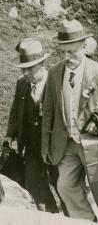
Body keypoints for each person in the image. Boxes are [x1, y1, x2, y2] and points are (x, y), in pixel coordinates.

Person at [41, 19, 98, 225]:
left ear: (84, 47)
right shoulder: (55, 73)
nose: (67, 57)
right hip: (65, 144)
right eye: (63, 52)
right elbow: (48, 111)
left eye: (72, 52)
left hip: (94, 146)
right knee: (65, 187)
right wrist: (45, 144)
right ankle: (86, 221)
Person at [5, 38, 59, 213]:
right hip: (31, 147)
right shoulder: (22, 84)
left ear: (42, 63)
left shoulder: (55, 82)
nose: (27, 73)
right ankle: (50, 218)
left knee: (63, 187)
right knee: (35, 187)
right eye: (23, 68)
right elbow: (15, 111)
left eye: (31, 68)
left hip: (54, 146)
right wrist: (9, 136)